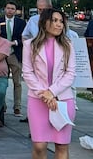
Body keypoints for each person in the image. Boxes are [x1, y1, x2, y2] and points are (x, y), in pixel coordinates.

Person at [22, 9, 76, 159]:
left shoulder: (68, 45)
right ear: (44, 22)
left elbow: (70, 73)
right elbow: (27, 72)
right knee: (39, 146)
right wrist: (44, 94)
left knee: (61, 145)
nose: (59, 25)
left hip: (63, 100)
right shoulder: (29, 45)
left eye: (61, 21)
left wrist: (52, 92)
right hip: (37, 99)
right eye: (55, 20)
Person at [0, 1, 26, 117]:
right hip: (1, 55)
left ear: (15, 11)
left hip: (15, 54)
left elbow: (24, 37)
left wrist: (15, 42)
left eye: (12, 9)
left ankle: (17, 107)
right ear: (5, 9)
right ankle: (2, 105)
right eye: (8, 8)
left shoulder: (21, 23)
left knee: (17, 82)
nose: (10, 10)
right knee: (2, 81)